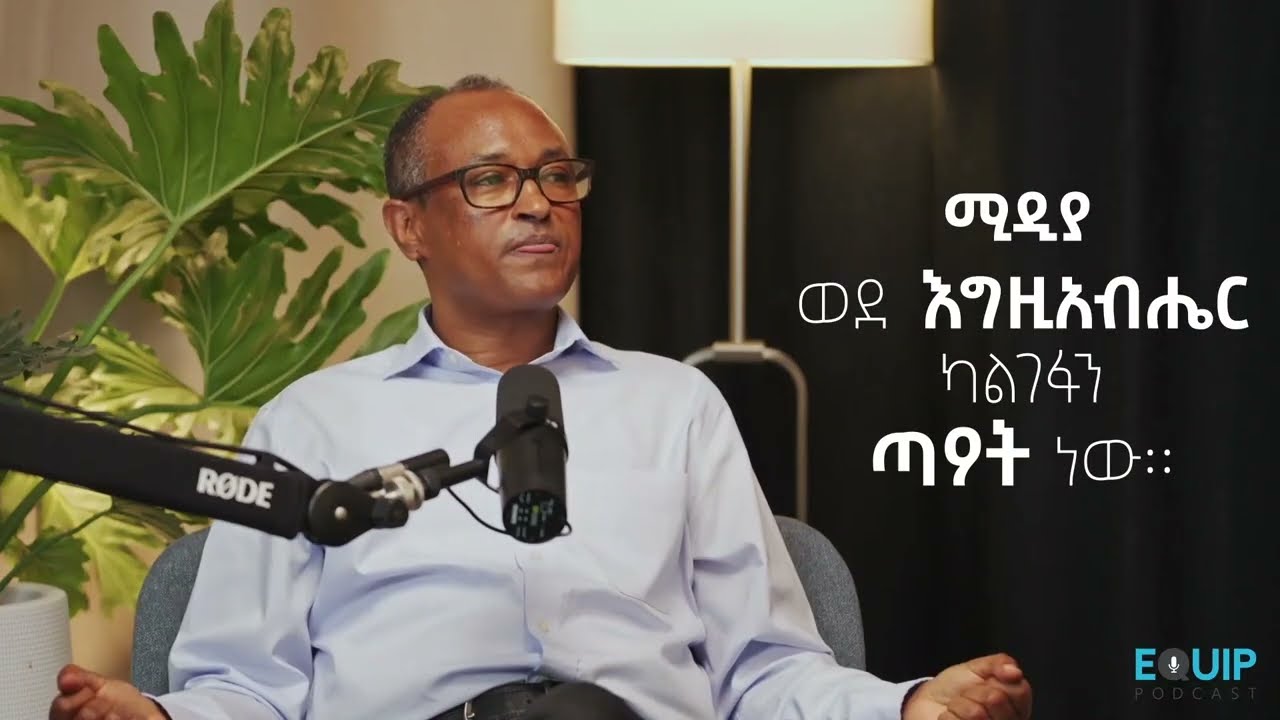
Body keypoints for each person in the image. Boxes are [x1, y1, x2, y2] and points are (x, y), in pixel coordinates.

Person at [50, 75, 1033, 720]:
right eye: (491, 180)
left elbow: (764, 670)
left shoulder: (675, 405)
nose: (538, 202)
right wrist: (160, 714)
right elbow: (252, 687)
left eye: (558, 175)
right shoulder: (315, 422)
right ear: (408, 226)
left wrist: (905, 704)